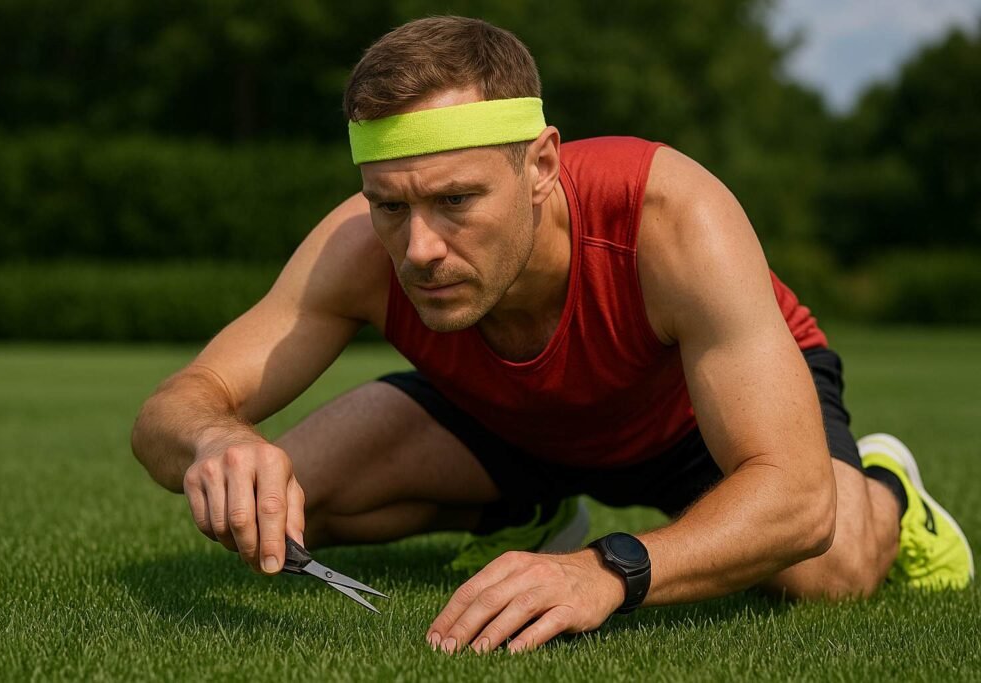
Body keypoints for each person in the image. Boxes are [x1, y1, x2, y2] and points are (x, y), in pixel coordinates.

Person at [131, 16, 974, 655]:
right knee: (287, 506)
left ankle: (890, 485)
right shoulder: (357, 248)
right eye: (391, 204)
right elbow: (172, 408)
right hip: (510, 418)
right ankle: (533, 512)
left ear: (540, 166)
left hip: (693, 417)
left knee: (829, 566)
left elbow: (793, 501)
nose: (418, 248)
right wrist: (215, 439)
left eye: (456, 200)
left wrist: (607, 569)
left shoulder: (669, 215)